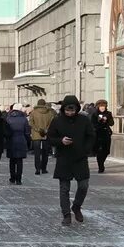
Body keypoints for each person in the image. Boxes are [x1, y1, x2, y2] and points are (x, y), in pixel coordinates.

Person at [49, 94, 95, 225]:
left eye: (72, 110)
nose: (70, 113)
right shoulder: (57, 121)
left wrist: (86, 149)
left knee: (83, 185)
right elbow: (50, 138)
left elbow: (91, 136)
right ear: (63, 109)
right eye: (67, 110)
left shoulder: (84, 120)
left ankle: (76, 206)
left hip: (80, 158)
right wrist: (60, 141)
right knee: (64, 188)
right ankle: (66, 214)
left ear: (77, 109)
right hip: (64, 158)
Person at [3, 103, 32, 183]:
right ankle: (19, 179)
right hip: (21, 140)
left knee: (12, 160)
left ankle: (12, 177)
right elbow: (27, 132)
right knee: (19, 161)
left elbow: (5, 131)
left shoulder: (8, 118)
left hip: (11, 141)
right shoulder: (24, 119)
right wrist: (28, 142)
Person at [28, 98, 55, 176]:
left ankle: (37, 169)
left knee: (37, 153)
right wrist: (46, 129)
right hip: (46, 134)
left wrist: (37, 129)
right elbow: (52, 123)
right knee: (45, 152)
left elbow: (30, 123)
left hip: (36, 134)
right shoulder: (49, 113)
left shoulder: (33, 112)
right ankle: (44, 168)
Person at [91, 99, 115, 174]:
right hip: (98, 134)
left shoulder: (108, 113)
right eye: (101, 106)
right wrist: (99, 121)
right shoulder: (94, 114)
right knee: (99, 151)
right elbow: (92, 124)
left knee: (106, 151)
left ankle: (102, 162)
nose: (102, 108)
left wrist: (107, 120)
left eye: (104, 106)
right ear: (98, 107)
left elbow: (112, 123)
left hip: (106, 133)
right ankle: (100, 166)